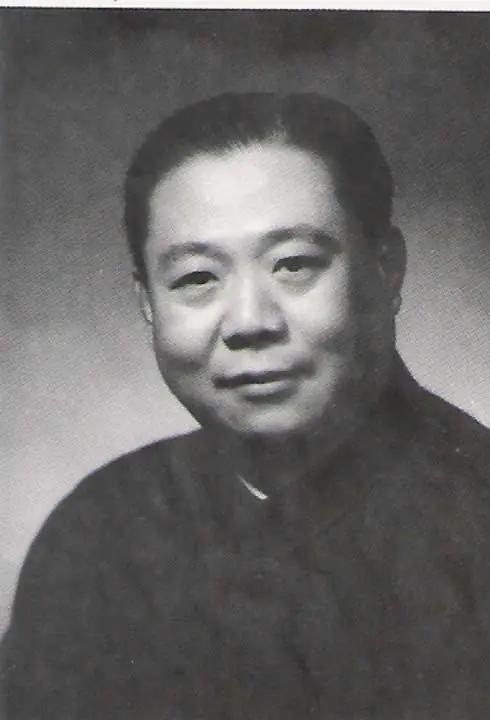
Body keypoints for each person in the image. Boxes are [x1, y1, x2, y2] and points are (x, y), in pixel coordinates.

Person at [1, 92, 489, 719]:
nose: (250, 321)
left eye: (294, 265)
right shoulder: (97, 533)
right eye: (197, 278)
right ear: (148, 303)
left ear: (385, 269)